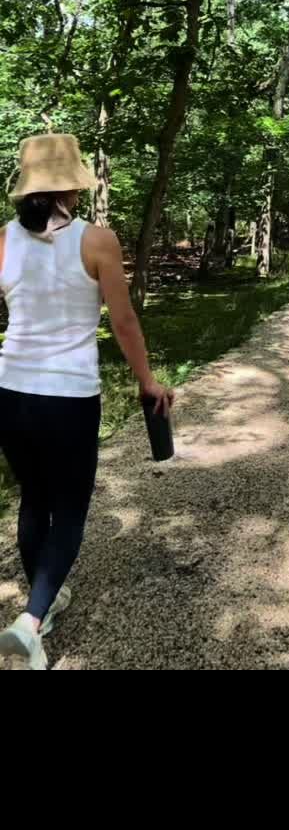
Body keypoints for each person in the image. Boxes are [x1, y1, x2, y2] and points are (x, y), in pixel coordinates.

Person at [0, 134, 174, 670]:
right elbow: (123, 321)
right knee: (70, 508)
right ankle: (30, 623)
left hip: (10, 391)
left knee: (34, 500)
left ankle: (44, 603)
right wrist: (147, 381)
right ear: (71, 188)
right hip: (69, 396)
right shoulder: (97, 241)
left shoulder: (3, 240)